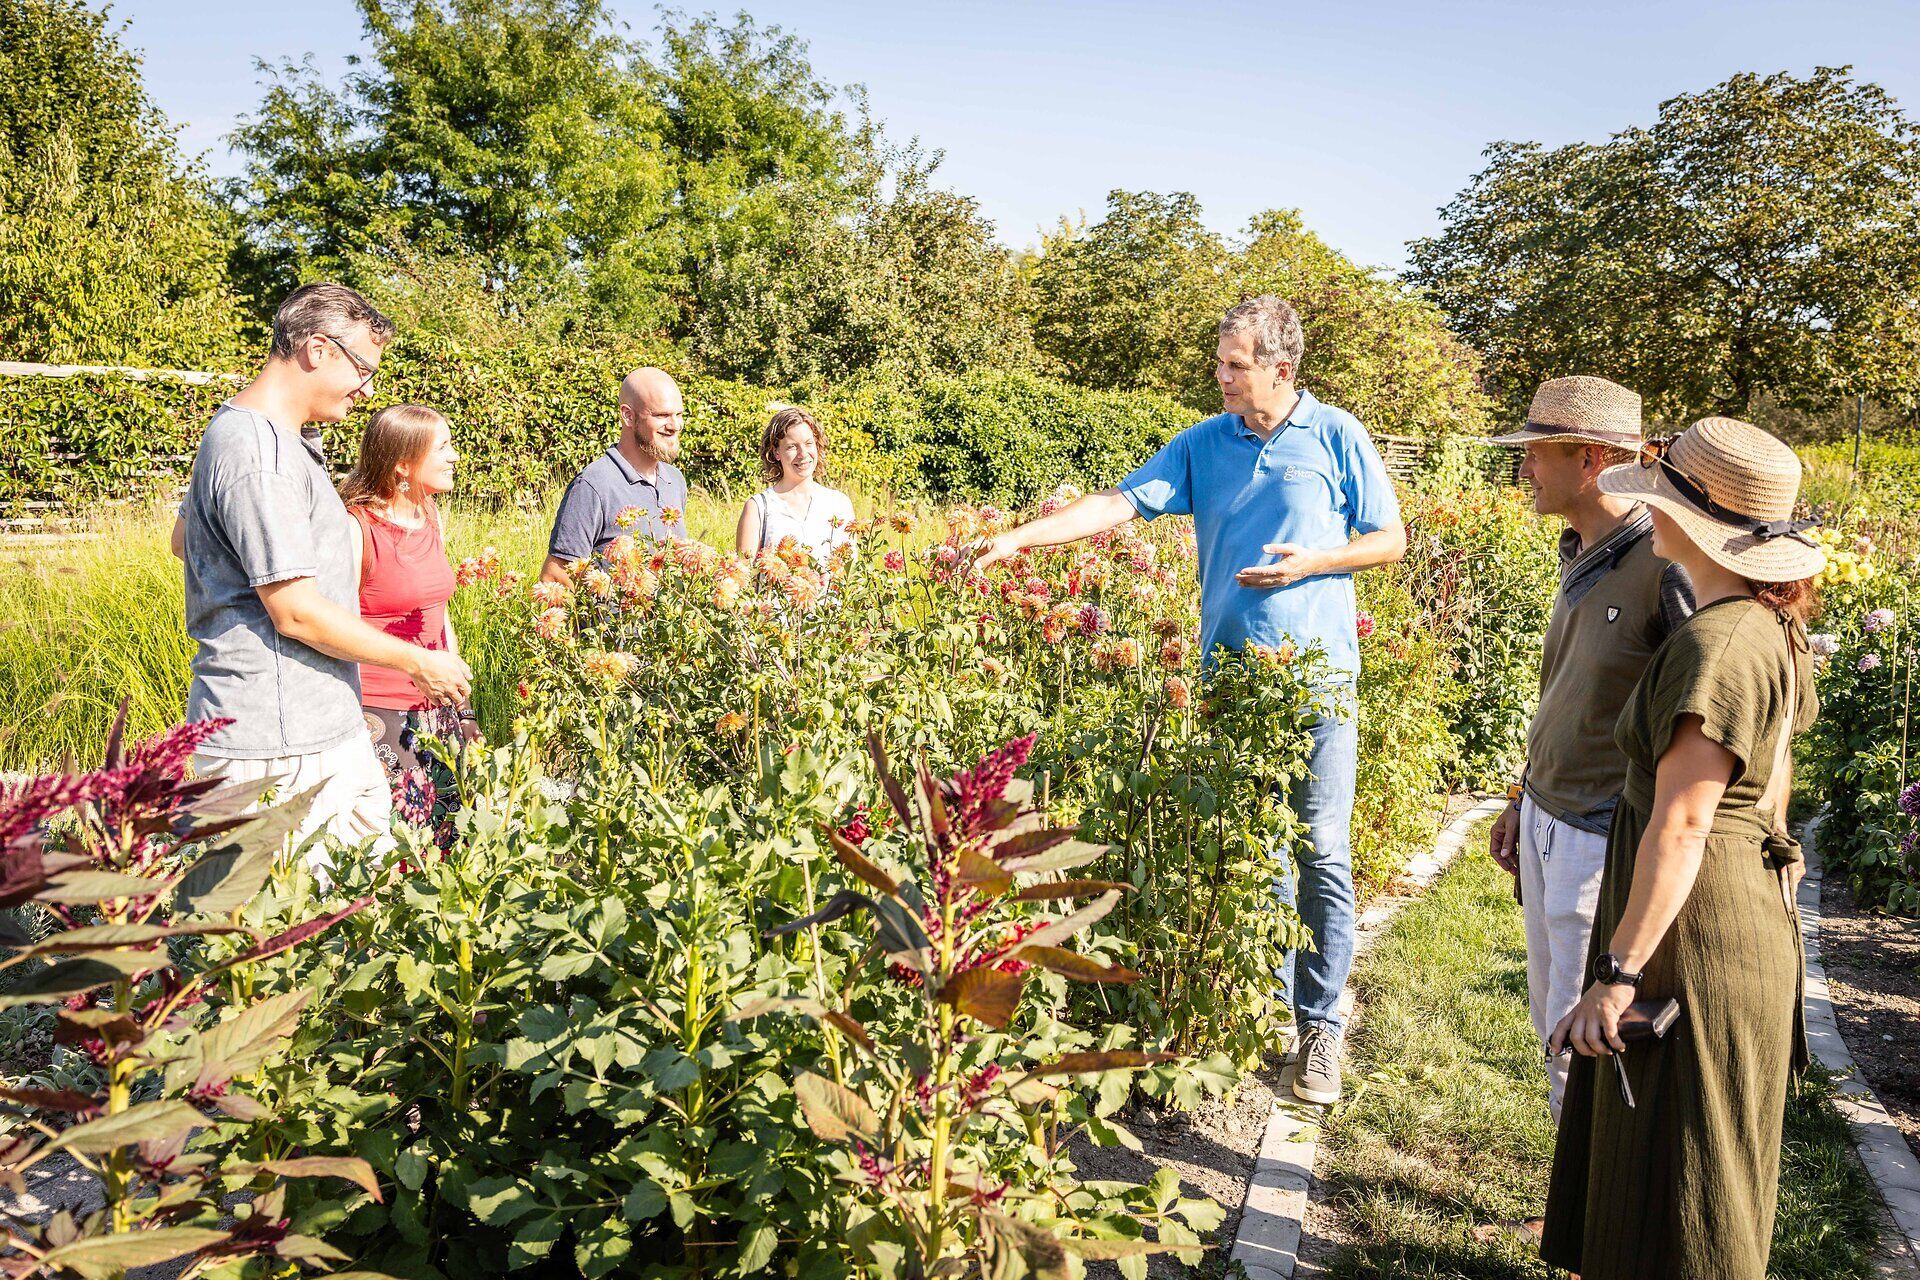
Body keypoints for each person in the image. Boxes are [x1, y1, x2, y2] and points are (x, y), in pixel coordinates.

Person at [973, 294, 1406, 1106]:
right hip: (1230, 682)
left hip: (1316, 683)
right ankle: (1272, 1014)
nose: (1221, 377)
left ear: (1281, 367)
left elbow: (1389, 538)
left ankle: (1320, 1030)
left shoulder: (1337, 433)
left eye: (1235, 365)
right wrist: (1017, 537)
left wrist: (1311, 564)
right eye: (1220, 362)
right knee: (1256, 849)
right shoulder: (1205, 443)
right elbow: (1118, 503)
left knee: (1320, 846)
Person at [1541, 417, 1825, 1280]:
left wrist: (1619, 972)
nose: (1646, 507)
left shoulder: (1714, 644)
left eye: (1662, 494)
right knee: (1670, 1165)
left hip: (1692, 938)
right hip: (1725, 913)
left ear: (1700, 524)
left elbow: (1684, 823)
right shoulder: (1761, 624)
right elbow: (1768, 786)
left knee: (1683, 1174)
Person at [174, 283, 472, 872]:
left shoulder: (276, 441)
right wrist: (418, 661)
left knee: (369, 906)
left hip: (318, 725)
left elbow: (184, 539)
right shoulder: (258, 454)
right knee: (306, 935)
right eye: (361, 367)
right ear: (316, 349)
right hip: (279, 744)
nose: (366, 388)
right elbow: (295, 611)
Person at [1487, 378, 1696, 1124]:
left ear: (1596, 459)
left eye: (1538, 453)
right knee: (1553, 1023)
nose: (1524, 470)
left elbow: (1695, 718)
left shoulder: (1665, 569)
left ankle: (1590, 1226)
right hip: (1547, 814)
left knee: (1587, 1039)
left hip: (1600, 835)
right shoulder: (1581, 547)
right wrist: (1521, 793)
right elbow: (1568, 690)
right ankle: (1574, 1210)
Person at [337, 404, 478, 843]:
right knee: (399, 845)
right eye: (443, 447)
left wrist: (463, 706)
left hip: (439, 704)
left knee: (453, 836)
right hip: (380, 711)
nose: (455, 456)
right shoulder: (355, 528)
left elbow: (439, 613)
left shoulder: (429, 514)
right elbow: (334, 624)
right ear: (403, 464)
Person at [542, 367, 689, 584]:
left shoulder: (675, 480)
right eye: (661, 415)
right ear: (628, 416)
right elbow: (555, 577)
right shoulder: (593, 485)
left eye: (679, 414)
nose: (675, 426)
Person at [735, 406, 856, 564]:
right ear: (776, 452)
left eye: (808, 444)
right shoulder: (758, 507)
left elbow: (851, 574)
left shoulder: (839, 504)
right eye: (792, 446)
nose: (803, 454)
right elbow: (743, 577)